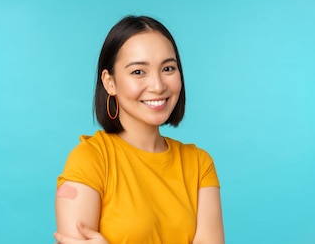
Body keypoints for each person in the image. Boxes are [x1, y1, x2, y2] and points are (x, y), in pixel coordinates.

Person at [53, 15, 224, 244]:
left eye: (168, 68)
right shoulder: (90, 160)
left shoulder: (199, 165)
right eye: (138, 72)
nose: (158, 85)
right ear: (109, 82)